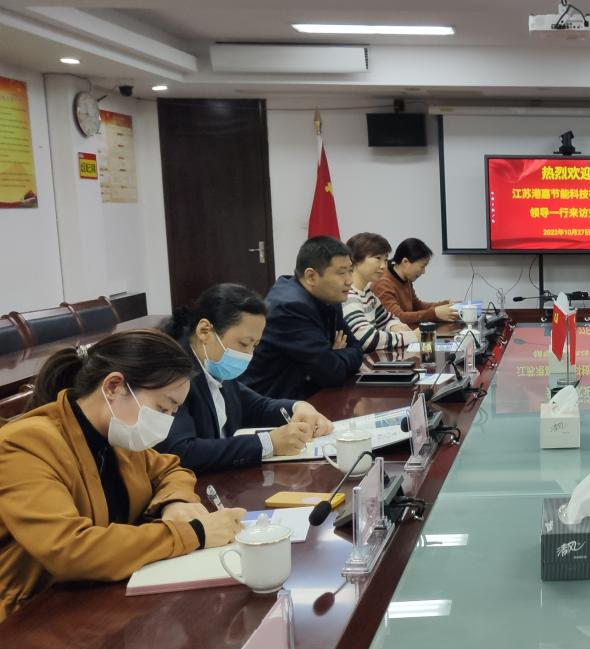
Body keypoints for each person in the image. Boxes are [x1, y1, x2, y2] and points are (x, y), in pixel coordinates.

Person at [0, 330, 244, 621]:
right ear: (113, 386)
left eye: (173, 412)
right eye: (162, 408)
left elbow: (171, 469)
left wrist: (175, 502)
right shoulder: (25, 445)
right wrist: (195, 533)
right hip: (30, 618)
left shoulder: (117, 433)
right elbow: (70, 550)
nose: (166, 422)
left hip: (100, 599)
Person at [157, 283, 334, 473]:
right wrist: (268, 443)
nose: (248, 354)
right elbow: (182, 452)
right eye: (243, 343)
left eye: (255, 345)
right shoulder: (172, 373)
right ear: (205, 331)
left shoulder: (215, 364)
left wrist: (298, 407)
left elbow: (256, 407)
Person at [241, 236, 364, 399]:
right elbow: (331, 372)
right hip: (271, 402)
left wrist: (334, 356)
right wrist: (334, 356)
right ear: (311, 276)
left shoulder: (328, 297)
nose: (349, 281)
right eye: (342, 273)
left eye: (350, 271)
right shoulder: (289, 307)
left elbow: (356, 348)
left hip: (307, 394)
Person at [343, 232, 419, 351]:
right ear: (355, 259)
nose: (383, 266)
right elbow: (367, 340)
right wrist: (411, 337)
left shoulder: (367, 293)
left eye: (385, 260)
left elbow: (387, 319)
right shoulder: (347, 295)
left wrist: (394, 326)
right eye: (378, 258)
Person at [372, 237, 458, 325]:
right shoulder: (382, 283)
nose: (423, 272)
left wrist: (446, 304)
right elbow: (397, 317)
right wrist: (435, 313)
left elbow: (417, 306)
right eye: (422, 266)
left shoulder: (406, 278)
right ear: (405, 262)